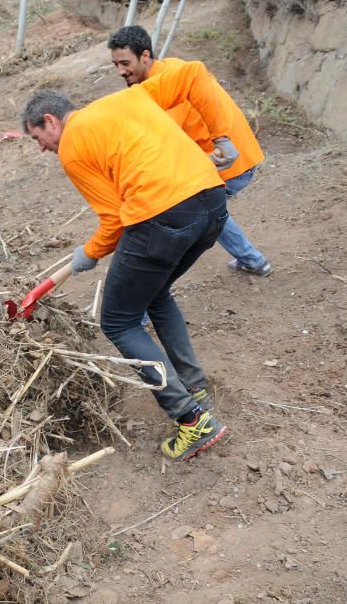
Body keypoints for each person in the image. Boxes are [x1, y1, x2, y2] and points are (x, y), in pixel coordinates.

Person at [21, 63, 235, 462]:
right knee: (154, 294)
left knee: (118, 320)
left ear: (50, 121)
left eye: (37, 138)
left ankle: (192, 421)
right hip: (212, 202)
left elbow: (114, 220)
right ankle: (194, 386)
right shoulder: (129, 97)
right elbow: (194, 73)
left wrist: (89, 253)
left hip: (162, 218)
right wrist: (223, 135)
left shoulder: (71, 148)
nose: (41, 148)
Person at [108, 25, 273, 277]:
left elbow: (165, 148)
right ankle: (253, 260)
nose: (120, 71)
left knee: (194, 208)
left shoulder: (166, 92)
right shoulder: (173, 67)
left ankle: (147, 286)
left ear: (144, 55)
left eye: (125, 63)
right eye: (115, 64)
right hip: (239, 152)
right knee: (210, 209)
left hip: (228, 163)